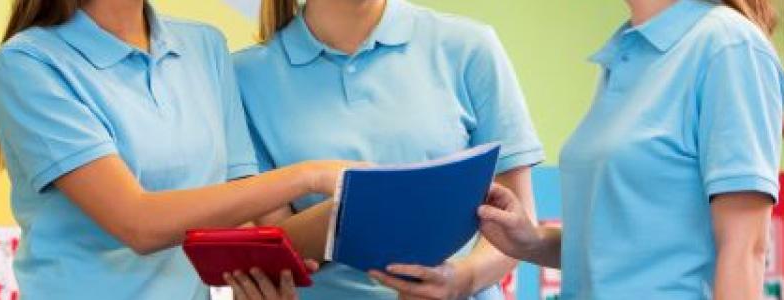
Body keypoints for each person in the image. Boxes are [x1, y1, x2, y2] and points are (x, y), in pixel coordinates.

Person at [0, 0, 355, 298]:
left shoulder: (204, 48)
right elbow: (138, 224)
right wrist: (311, 176)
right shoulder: (28, 64)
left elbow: (253, 225)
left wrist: (369, 200)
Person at [222, 0, 545, 299]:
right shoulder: (242, 76)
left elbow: (515, 227)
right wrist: (371, 206)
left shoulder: (469, 46)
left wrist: (463, 278)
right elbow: (276, 245)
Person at [475, 0, 784, 298]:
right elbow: (624, 253)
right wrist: (531, 241)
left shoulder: (729, 46)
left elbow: (746, 249)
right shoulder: (627, 54)